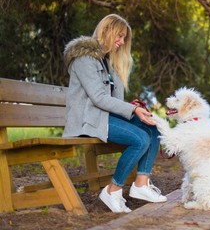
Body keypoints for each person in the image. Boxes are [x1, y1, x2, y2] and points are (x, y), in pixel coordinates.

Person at [62, 14, 167, 213]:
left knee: (152, 126)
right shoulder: (84, 59)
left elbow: (115, 101)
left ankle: (141, 185)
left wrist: (134, 109)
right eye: (119, 36)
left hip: (104, 117)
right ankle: (112, 190)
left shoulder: (107, 62)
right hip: (88, 121)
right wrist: (133, 109)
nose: (121, 42)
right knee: (140, 139)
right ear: (106, 31)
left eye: (124, 39)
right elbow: (98, 98)